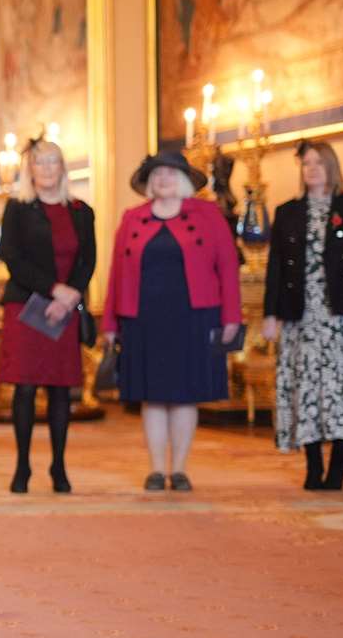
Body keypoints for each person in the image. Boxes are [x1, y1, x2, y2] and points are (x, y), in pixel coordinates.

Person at [102, 151, 241, 492]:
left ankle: (178, 469)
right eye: (156, 174)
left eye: (169, 173)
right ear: (149, 183)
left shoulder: (208, 215)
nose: (162, 178)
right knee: (152, 395)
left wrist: (231, 317)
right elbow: (116, 273)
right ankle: (154, 469)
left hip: (193, 315)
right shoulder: (132, 217)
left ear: (182, 180)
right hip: (142, 318)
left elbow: (227, 269)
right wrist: (109, 322)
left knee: (183, 395)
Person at [262, 142, 343, 491]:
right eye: (306, 164)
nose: (312, 169)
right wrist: (271, 314)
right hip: (301, 318)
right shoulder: (287, 212)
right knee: (306, 390)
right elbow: (274, 270)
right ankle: (313, 466)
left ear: (332, 166)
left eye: (318, 163)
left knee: (340, 391)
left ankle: (339, 467)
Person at [0, 138, 96, 494]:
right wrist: (53, 290)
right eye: (41, 163)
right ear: (31, 170)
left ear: (63, 168)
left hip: (64, 309)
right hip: (25, 307)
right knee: (25, 386)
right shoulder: (18, 208)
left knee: (59, 388)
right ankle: (22, 465)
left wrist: (69, 296)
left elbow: (88, 260)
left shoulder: (81, 211)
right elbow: (11, 256)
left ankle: (59, 466)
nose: (48, 169)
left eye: (54, 162)